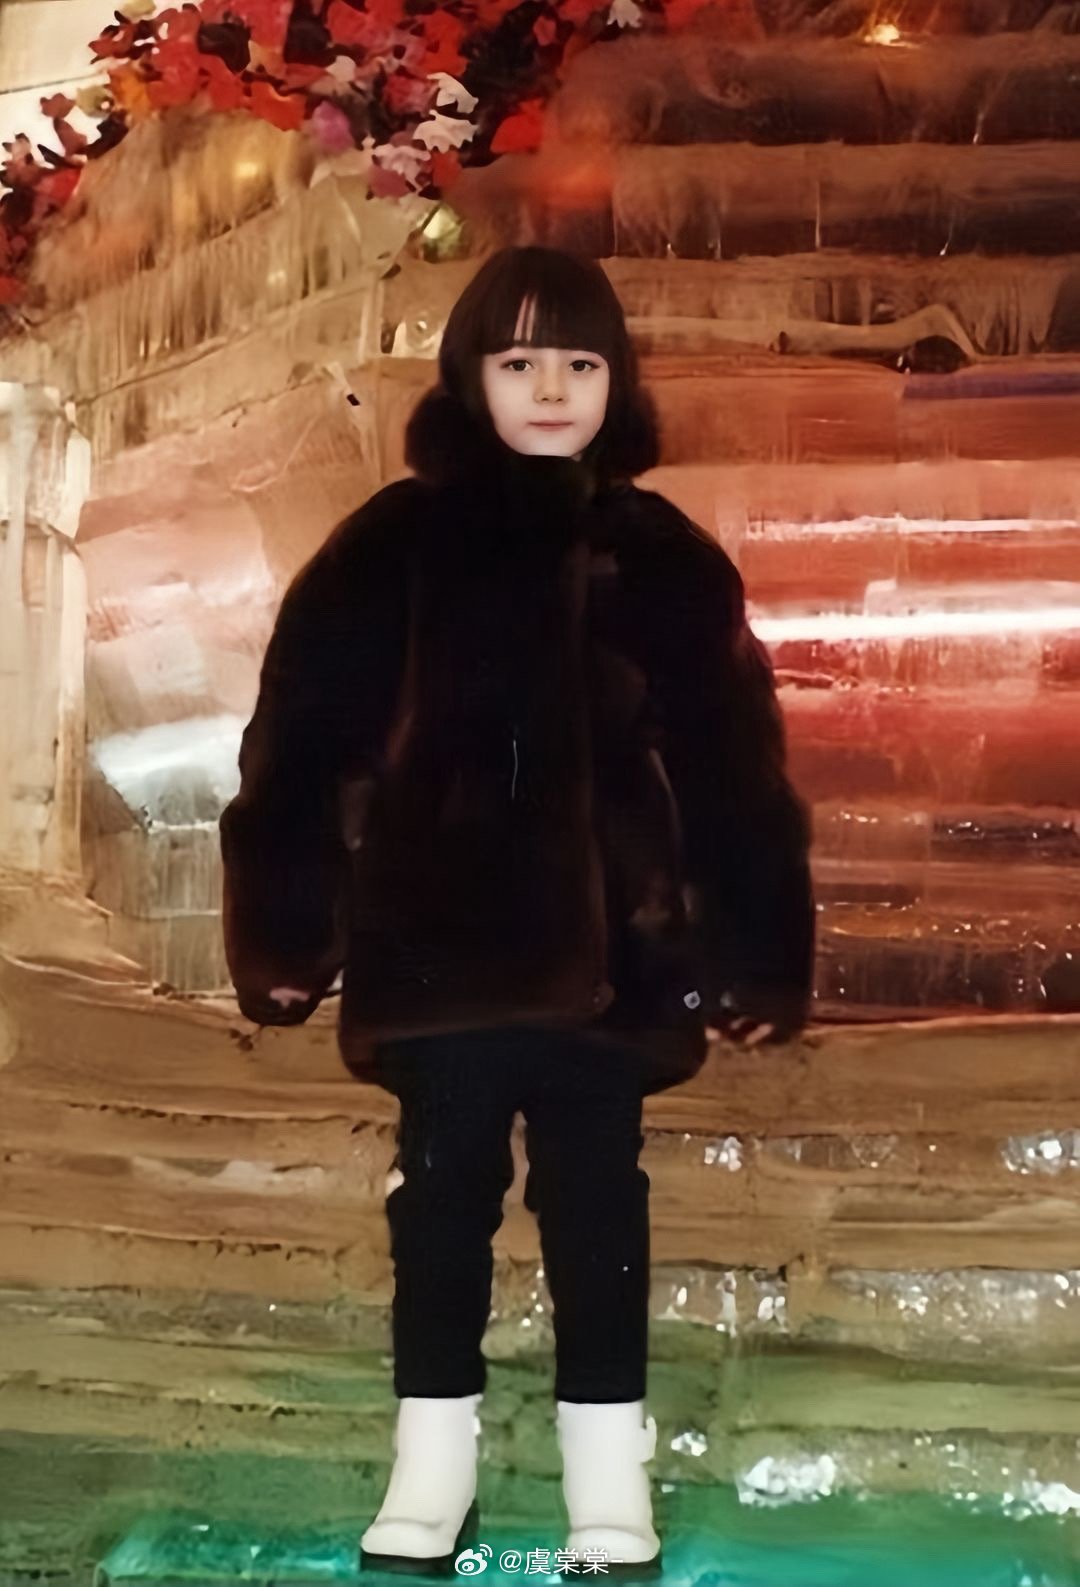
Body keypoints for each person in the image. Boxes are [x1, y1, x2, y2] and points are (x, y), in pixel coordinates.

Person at [219, 246, 815, 1577]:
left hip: (614, 962)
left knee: (600, 1207)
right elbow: (305, 739)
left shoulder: (660, 557)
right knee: (440, 1203)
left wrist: (750, 947)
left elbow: (732, 761)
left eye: (581, 362)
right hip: (441, 950)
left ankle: (610, 1477)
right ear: (470, 377)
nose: (552, 389)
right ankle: (433, 1466)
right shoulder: (396, 544)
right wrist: (291, 926)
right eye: (520, 361)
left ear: (617, 381)